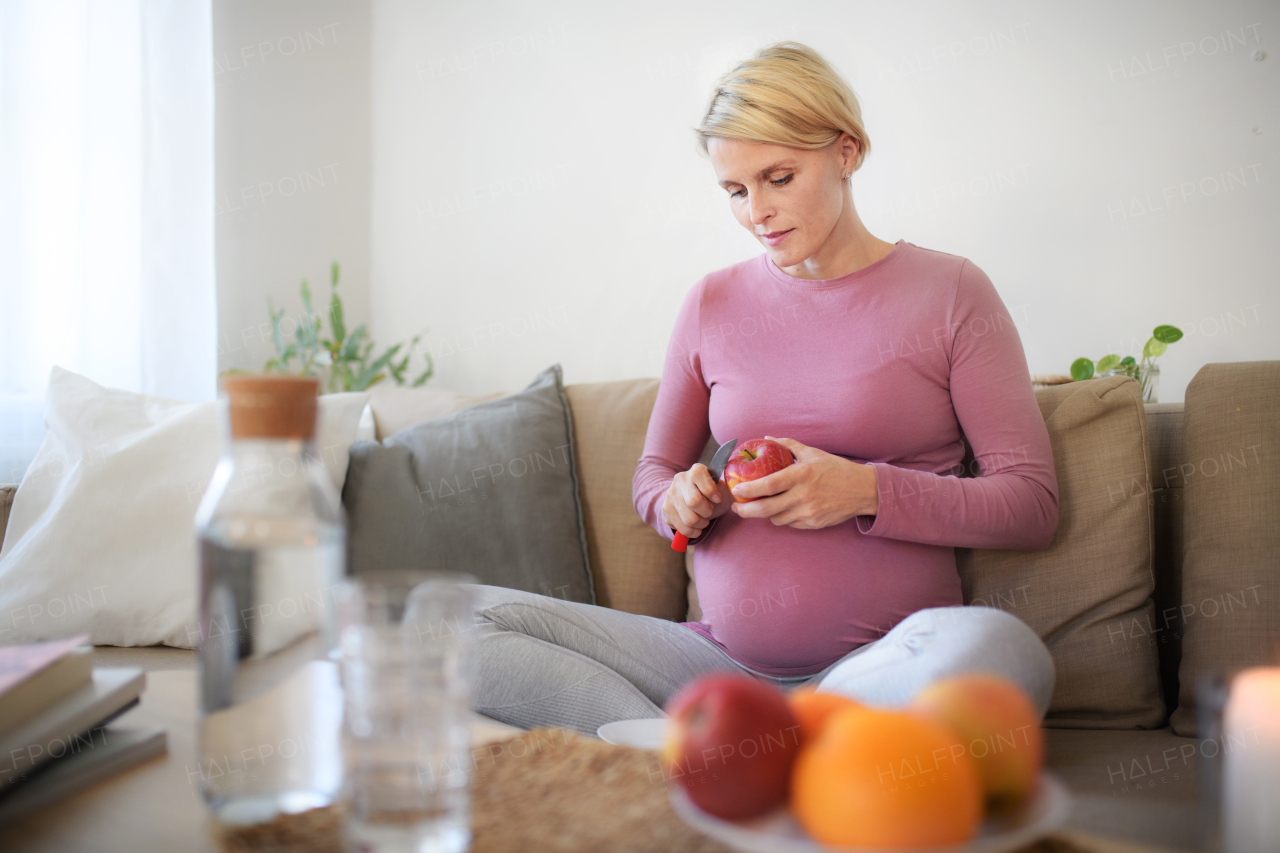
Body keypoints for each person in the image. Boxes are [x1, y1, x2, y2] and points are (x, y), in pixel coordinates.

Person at [464, 41, 1058, 738]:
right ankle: (701, 748)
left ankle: (738, 750)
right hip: (717, 667)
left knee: (1003, 653)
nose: (757, 213)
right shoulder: (712, 303)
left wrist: (863, 490)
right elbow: (653, 478)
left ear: (847, 150)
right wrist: (679, 503)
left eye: (779, 177)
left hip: (882, 668)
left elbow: (1031, 503)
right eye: (736, 190)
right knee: (449, 619)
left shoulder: (951, 291)